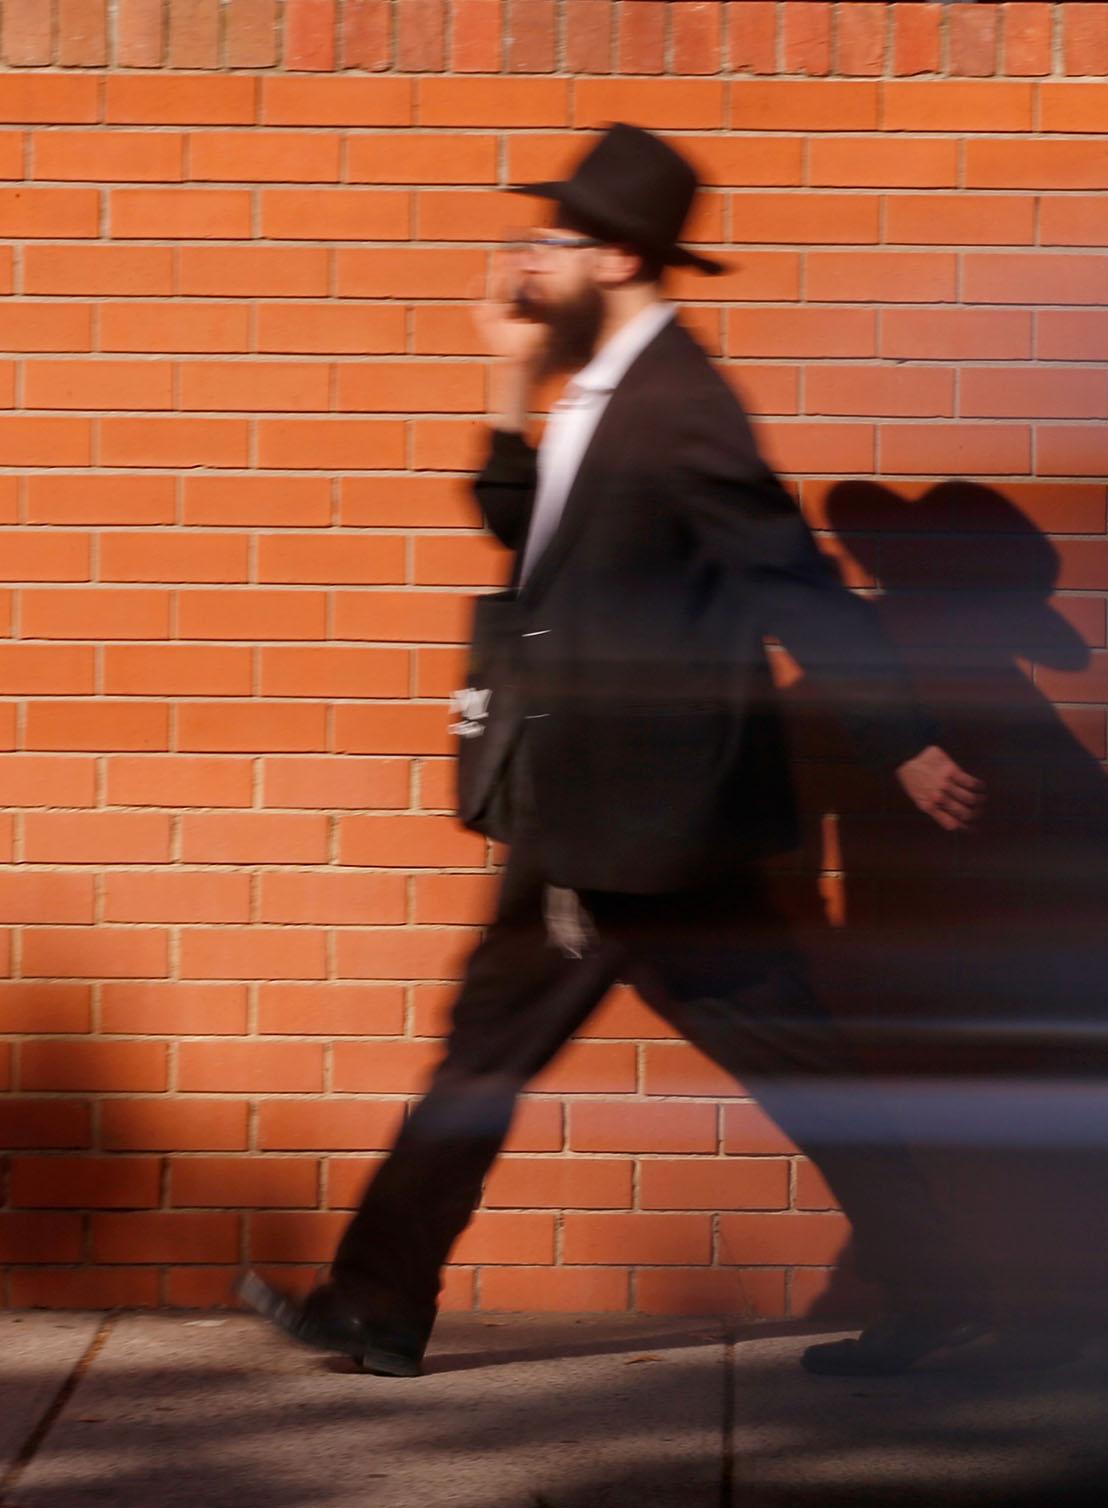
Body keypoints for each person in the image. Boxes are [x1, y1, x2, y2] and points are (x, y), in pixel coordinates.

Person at [238, 123, 988, 1379]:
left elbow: (794, 584)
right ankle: (940, 1291)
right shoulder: (595, 388)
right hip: (607, 808)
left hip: (637, 822)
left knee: (498, 1051)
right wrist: (505, 372)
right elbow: (513, 533)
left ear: (621, 256)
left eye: (557, 239)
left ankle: (377, 1302)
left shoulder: (684, 408)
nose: (532, 255)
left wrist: (903, 741)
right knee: (671, 1052)